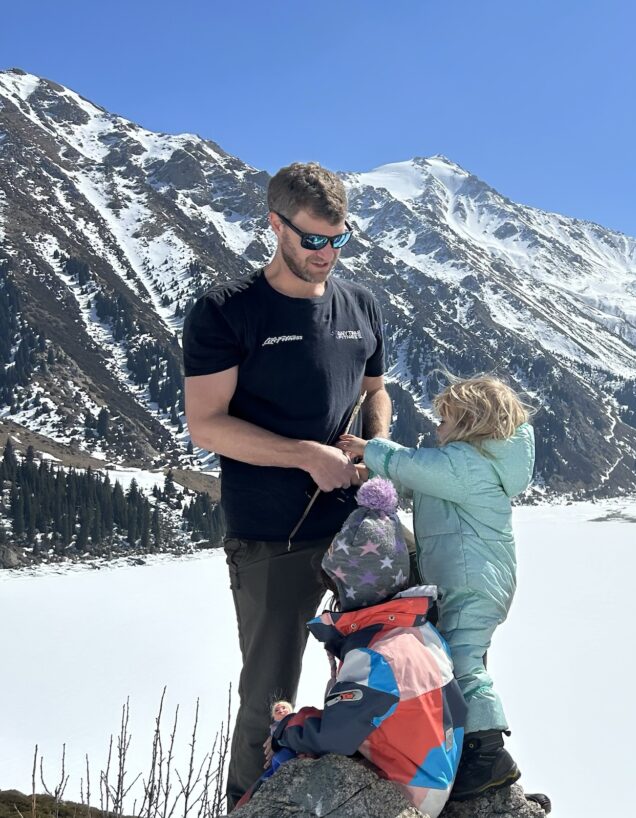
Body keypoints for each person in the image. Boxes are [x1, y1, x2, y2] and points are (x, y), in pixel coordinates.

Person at [182, 162, 392, 810]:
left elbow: (376, 391)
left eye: (339, 240)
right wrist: (305, 455)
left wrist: (374, 448)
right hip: (271, 537)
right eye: (313, 240)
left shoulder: (362, 304)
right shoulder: (227, 312)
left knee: (387, 669)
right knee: (268, 692)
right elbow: (206, 426)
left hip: (357, 526)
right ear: (276, 226)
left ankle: (373, 793)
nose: (327, 254)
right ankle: (246, 803)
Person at [339, 375, 535, 801]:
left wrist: (368, 449)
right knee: (460, 658)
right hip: (478, 578)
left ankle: (489, 757)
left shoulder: (465, 465)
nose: (436, 428)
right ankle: (468, 748)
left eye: (444, 420)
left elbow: (413, 465)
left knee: (463, 662)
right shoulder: (467, 465)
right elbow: (418, 480)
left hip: (470, 579)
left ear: (469, 423)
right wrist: (369, 475)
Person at [268, 477, 467, 818]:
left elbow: (336, 735)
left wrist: (288, 730)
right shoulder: (422, 632)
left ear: (348, 588)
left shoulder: (374, 655)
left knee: (286, 764)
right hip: (437, 779)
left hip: (403, 792)